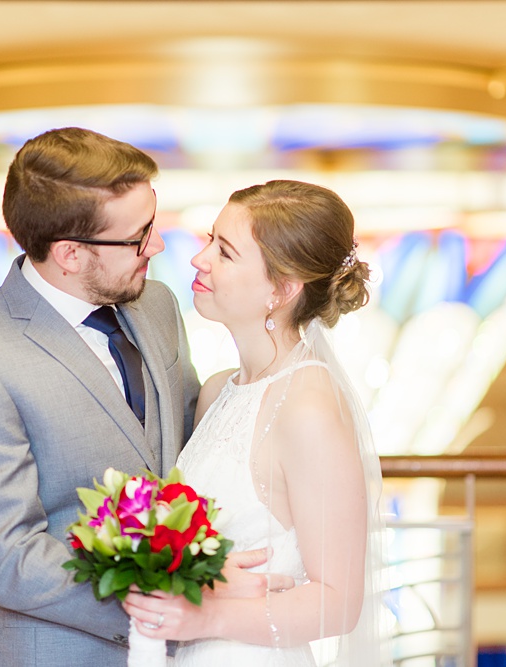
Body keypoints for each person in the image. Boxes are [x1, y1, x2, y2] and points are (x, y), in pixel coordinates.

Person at [0, 128, 289, 666]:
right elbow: (10, 561)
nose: (160, 247)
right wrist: (181, 596)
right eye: (139, 236)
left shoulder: (156, 305)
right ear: (70, 253)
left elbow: (189, 453)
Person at [123, 180, 389, 666]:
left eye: (224, 252)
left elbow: (339, 602)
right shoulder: (216, 391)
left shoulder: (308, 407)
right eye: (209, 240)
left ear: (282, 289)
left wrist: (206, 618)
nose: (198, 259)